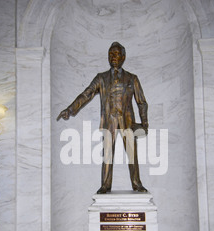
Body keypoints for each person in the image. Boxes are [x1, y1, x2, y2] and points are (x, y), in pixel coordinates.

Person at [57, 42, 149, 194]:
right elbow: (86, 94)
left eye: (116, 54)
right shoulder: (101, 78)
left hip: (128, 122)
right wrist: (70, 109)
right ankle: (105, 185)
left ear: (123, 57)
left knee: (132, 154)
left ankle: (136, 183)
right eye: (110, 54)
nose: (113, 57)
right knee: (107, 154)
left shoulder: (132, 78)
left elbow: (142, 102)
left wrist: (144, 123)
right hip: (109, 121)